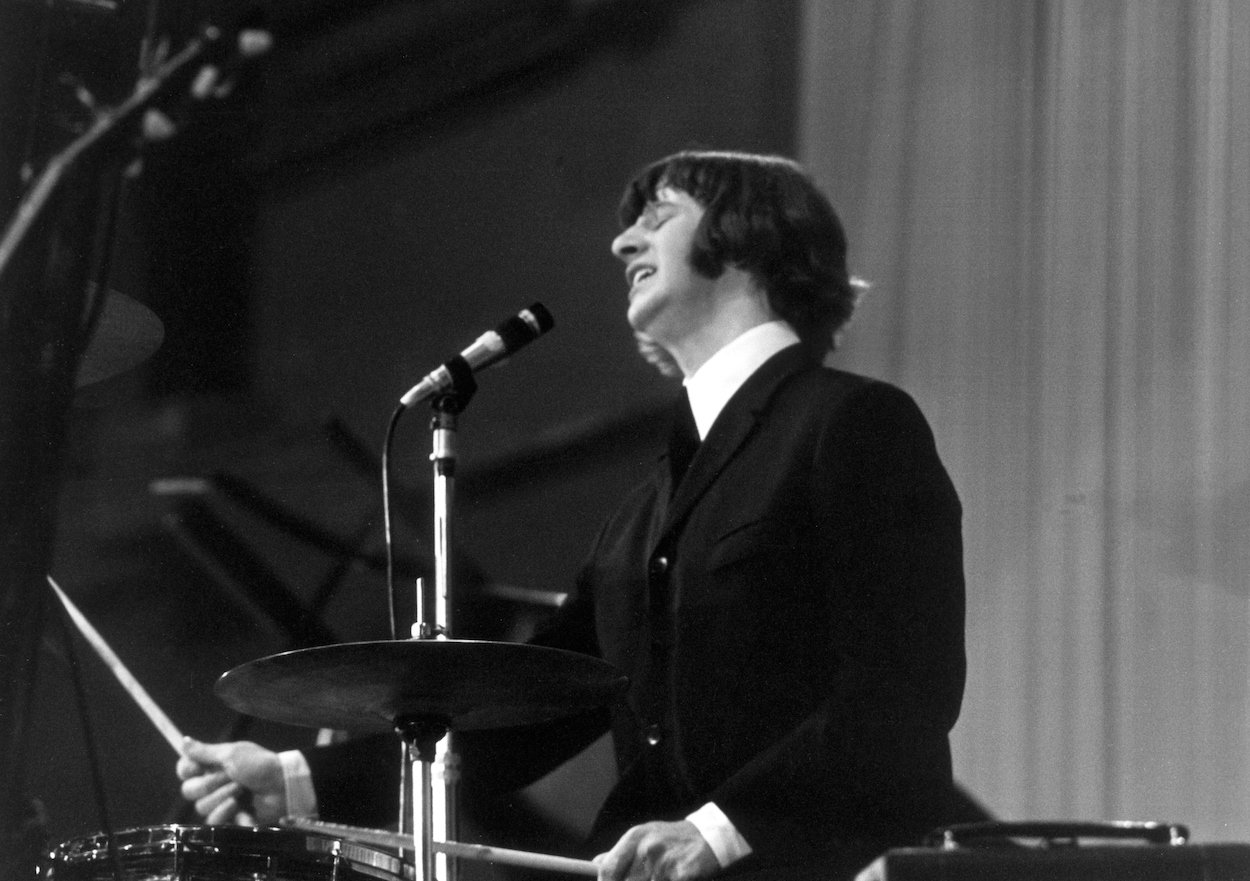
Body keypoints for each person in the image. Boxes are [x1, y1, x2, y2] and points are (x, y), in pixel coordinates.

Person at [178, 150, 969, 881]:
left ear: (750, 235)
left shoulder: (857, 423)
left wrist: (721, 829)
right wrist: (297, 778)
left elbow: (905, 689)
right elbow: (530, 712)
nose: (624, 242)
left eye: (657, 214)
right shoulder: (644, 506)